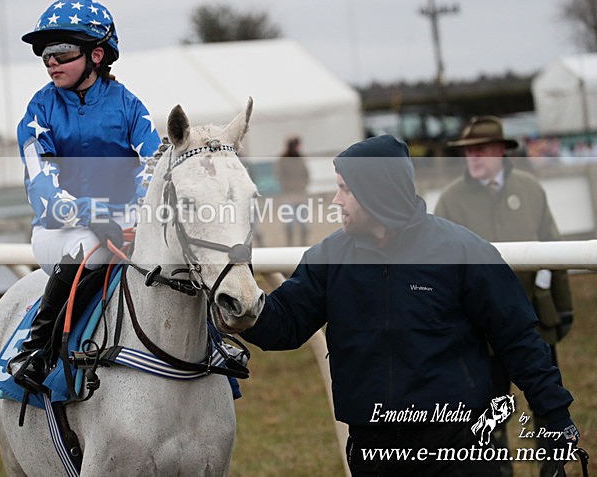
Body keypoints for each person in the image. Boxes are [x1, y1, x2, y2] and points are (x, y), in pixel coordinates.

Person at [241, 135, 578, 476]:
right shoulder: (330, 258)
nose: (335, 200)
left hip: (459, 450)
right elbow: (283, 325)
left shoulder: (462, 252)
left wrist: (555, 421)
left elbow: (519, 341)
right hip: (373, 452)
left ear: (376, 193)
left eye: (345, 189)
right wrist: (239, 301)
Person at [6, 0, 161, 393]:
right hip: (59, 230)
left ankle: (212, 344)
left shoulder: (130, 106)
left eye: (61, 52)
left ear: (96, 55)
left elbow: (154, 166)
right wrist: (92, 214)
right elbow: (42, 185)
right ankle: (34, 350)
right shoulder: (38, 110)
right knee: (94, 248)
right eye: (44, 54)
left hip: (125, 222)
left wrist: (139, 212)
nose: (50, 62)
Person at [435, 115, 574, 477]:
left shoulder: (530, 189)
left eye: (480, 149)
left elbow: (553, 248)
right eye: (467, 151)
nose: (473, 157)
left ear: (500, 150)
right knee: (487, 411)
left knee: (547, 402)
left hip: (533, 322)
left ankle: (553, 469)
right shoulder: (450, 201)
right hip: (479, 331)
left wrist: (563, 308)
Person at [275, 136, 310, 246]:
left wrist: (302, 186)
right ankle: (290, 245)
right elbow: (280, 176)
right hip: (288, 195)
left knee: (304, 223)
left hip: (301, 194)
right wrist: (290, 186)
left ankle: (303, 245)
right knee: (289, 222)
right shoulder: (283, 160)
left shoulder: (300, 158)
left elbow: (306, 174)